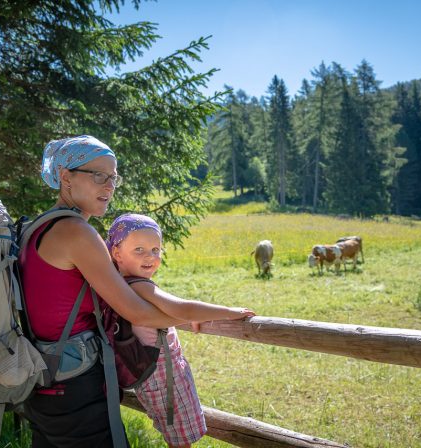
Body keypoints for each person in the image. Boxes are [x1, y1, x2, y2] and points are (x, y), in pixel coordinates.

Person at [19, 135, 183, 448]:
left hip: (41, 379)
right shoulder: (76, 231)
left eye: (113, 178)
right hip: (75, 383)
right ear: (66, 177)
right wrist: (194, 318)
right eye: (98, 176)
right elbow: (133, 309)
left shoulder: (37, 227)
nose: (108, 186)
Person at [106, 213, 256, 448]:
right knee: (180, 441)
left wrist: (184, 318)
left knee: (175, 436)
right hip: (165, 374)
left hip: (155, 374)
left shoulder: (121, 285)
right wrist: (228, 311)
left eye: (156, 250)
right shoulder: (140, 285)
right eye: (139, 250)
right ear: (117, 253)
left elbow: (164, 314)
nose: (150, 257)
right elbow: (181, 308)